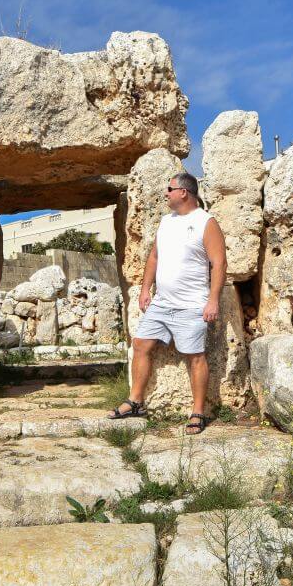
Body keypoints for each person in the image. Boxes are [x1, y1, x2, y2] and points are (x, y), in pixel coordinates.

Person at [108, 173, 226, 435]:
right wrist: (144, 289)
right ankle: (135, 401)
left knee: (195, 357)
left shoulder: (206, 222)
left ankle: (198, 412)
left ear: (184, 192)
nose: (165, 193)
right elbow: (154, 257)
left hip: (192, 304)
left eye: (169, 189)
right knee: (140, 345)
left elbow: (219, 263)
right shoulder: (165, 222)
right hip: (161, 303)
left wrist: (213, 300)